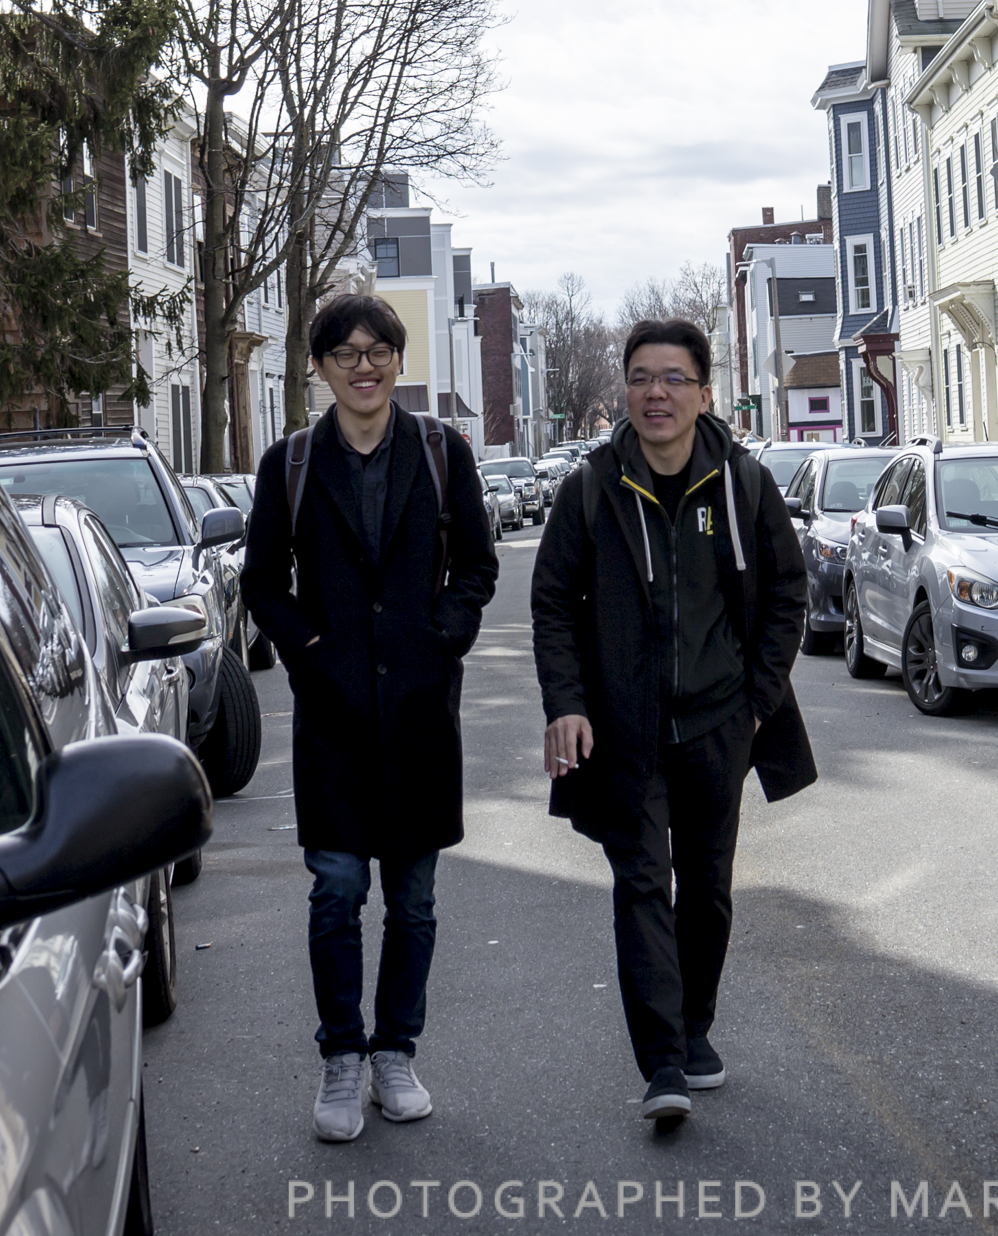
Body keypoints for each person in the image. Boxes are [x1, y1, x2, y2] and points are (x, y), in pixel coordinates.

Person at [532, 317, 815, 1128]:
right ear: (625, 390)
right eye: (641, 378)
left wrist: (757, 702)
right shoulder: (592, 489)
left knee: (708, 891)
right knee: (641, 884)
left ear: (703, 393)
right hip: (624, 730)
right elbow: (552, 603)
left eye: (673, 379)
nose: (655, 394)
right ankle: (662, 1060)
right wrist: (567, 704)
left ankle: (694, 1028)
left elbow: (787, 593)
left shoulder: (742, 485)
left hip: (720, 723)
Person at [244, 292, 500, 1143]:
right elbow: (261, 584)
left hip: (422, 711)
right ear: (321, 367)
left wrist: (442, 638)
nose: (365, 366)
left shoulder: (440, 451)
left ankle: (396, 1050)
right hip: (334, 715)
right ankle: (341, 1057)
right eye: (346, 353)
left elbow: (477, 565)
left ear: (397, 359)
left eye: (379, 350)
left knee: (414, 898)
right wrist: (310, 652)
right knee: (337, 891)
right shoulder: (290, 464)